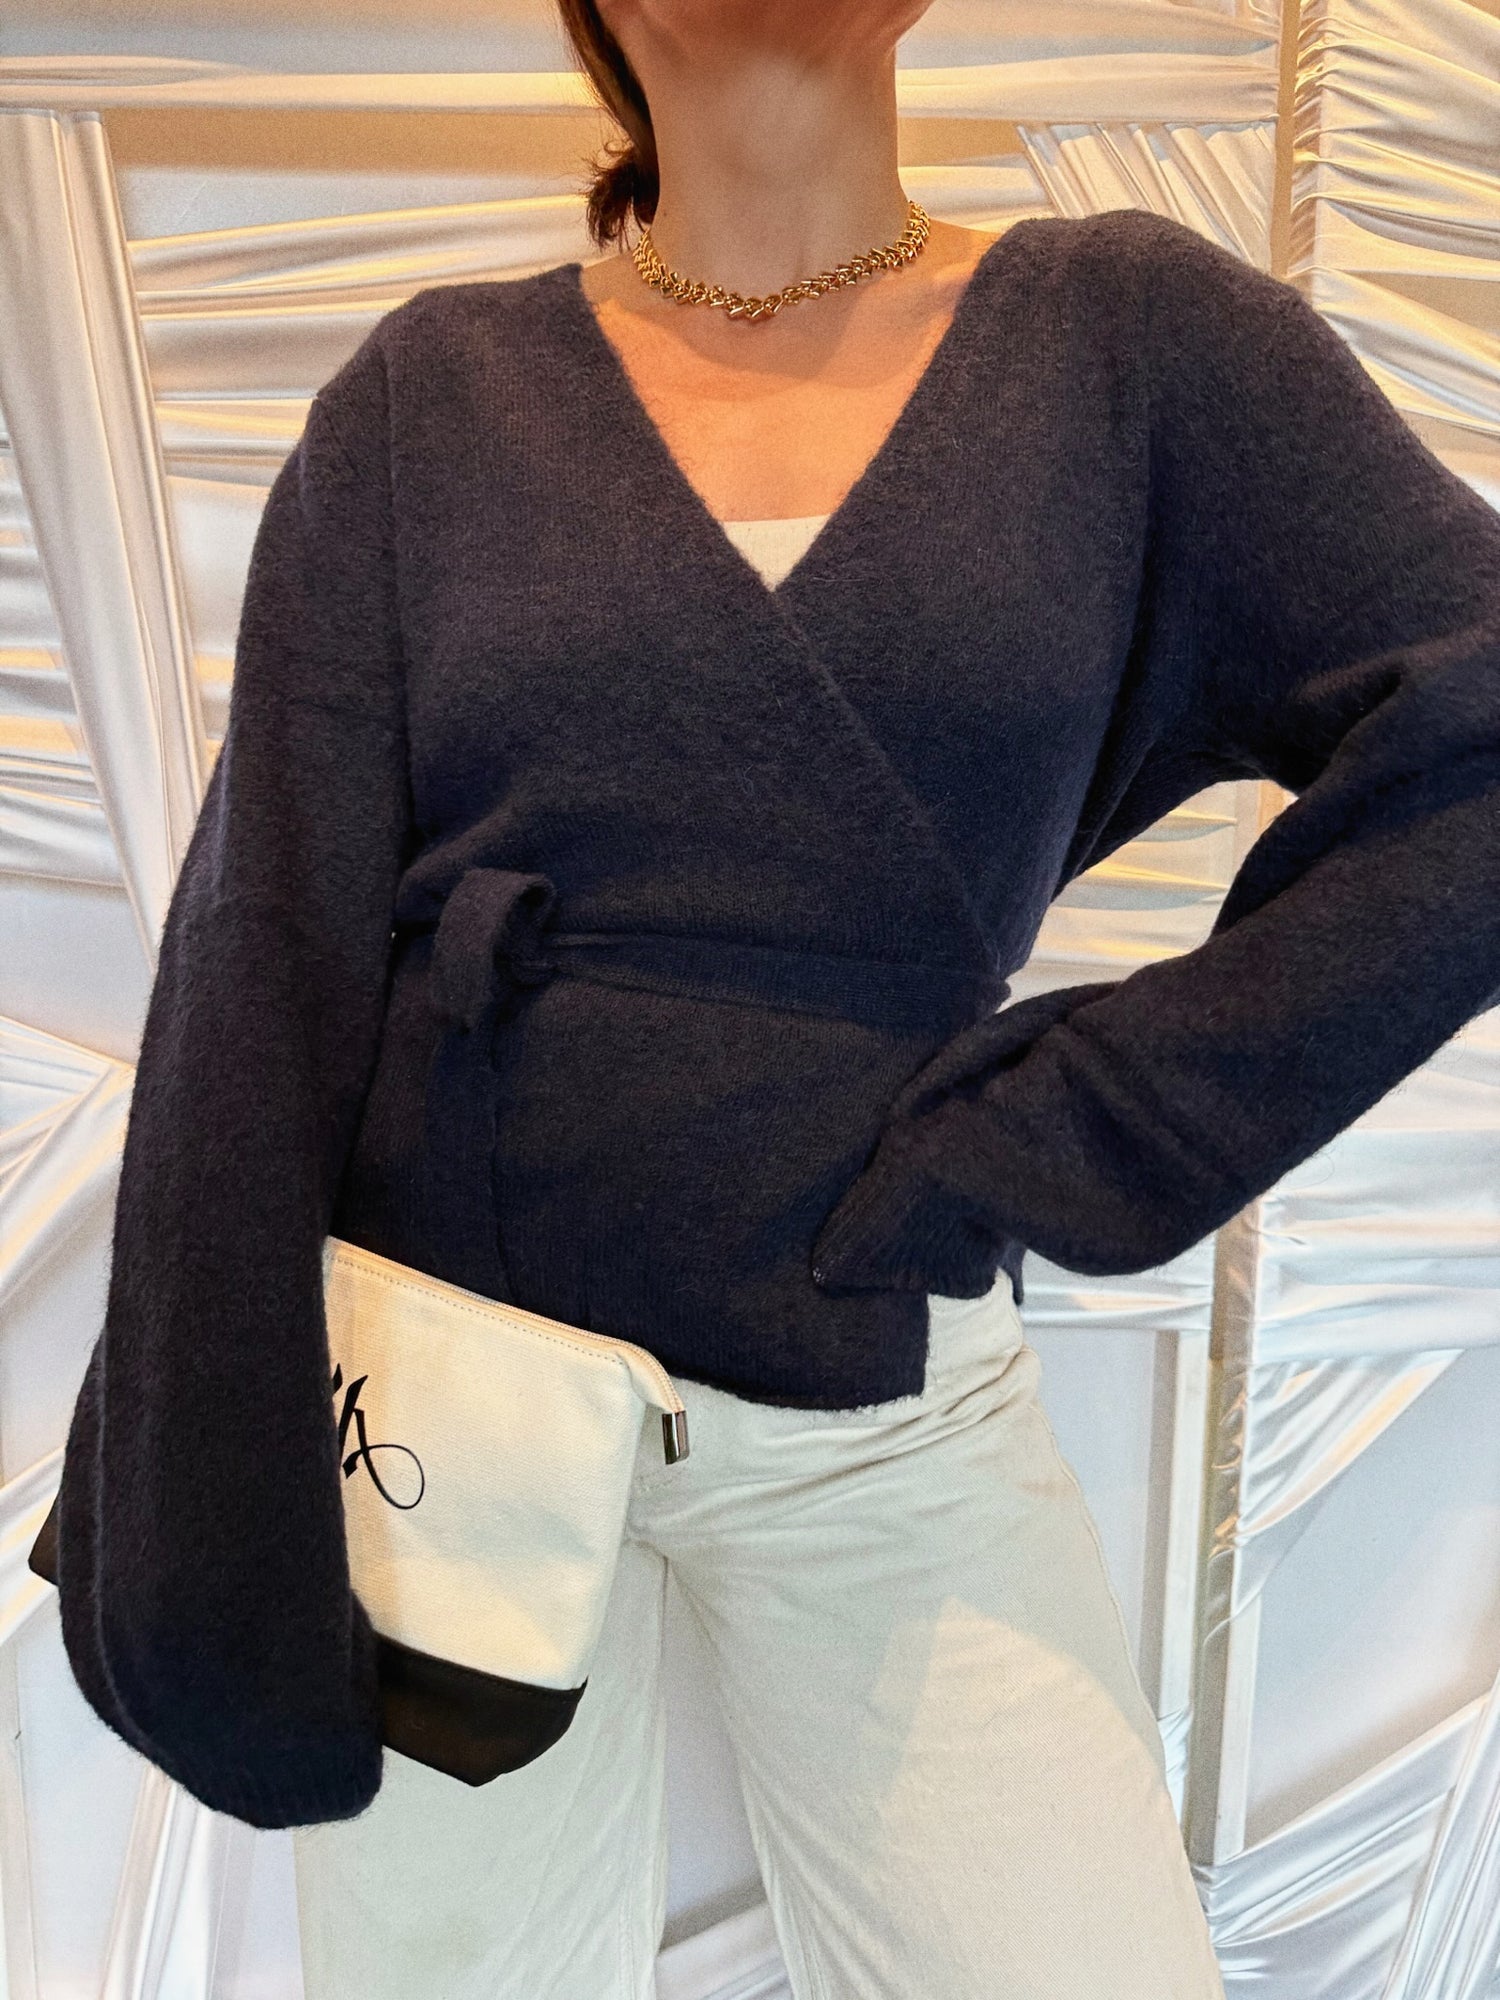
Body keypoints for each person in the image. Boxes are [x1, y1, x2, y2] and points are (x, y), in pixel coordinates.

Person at [46, 0, 1500, 1995]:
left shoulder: (1131, 347)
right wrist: (203, 1506)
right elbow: (262, 945)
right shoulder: (429, 399)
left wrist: (1080, 1132)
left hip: (874, 1372)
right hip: (448, 1381)